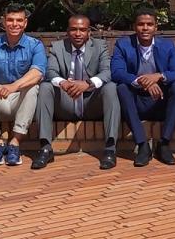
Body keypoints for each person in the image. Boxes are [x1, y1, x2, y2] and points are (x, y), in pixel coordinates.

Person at [32, 14, 120, 170]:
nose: (78, 33)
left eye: (82, 30)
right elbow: (50, 72)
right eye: (73, 29)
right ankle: (45, 147)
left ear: (89, 32)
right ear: (67, 31)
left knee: (110, 87)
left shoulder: (100, 46)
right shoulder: (58, 47)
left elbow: (107, 72)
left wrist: (87, 84)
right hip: (67, 102)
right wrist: (64, 83)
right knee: (45, 87)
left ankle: (110, 148)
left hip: (91, 103)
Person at [0, 4, 47, 166]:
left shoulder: (35, 45)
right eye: (10, 20)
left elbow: (38, 72)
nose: (14, 24)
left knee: (32, 85)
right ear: (3, 22)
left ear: (25, 23)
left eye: (19, 20)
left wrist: (13, 87)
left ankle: (15, 143)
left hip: (22, 101)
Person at [111, 7, 175, 167]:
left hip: (161, 100)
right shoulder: (123, 45)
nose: (145, 28)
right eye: (141, 24)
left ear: (156, 27)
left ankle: (164, 144)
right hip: (136, 100)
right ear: (134, 27)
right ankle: (142, 144)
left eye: (149, 24)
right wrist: (143, 81)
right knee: (122, 88)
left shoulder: (167, 45)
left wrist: (158, 76)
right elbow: (117, 73)